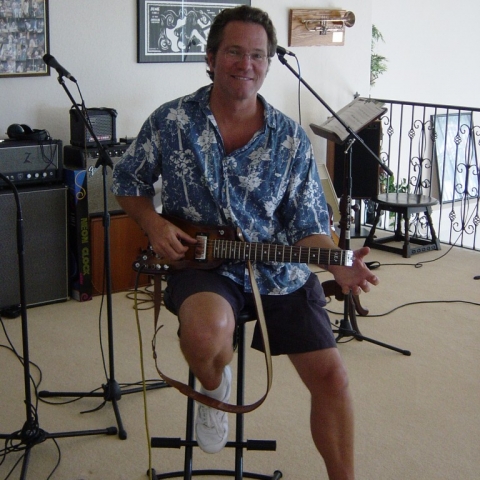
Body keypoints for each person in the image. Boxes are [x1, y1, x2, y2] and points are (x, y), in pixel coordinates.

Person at [112, 5, 378, 479]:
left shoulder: (291, 140)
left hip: (279, 270)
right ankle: (215, 387)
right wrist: (152, 224)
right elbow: (127, 180)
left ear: (268, 63)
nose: (246, 64)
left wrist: (335, 261)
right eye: (234, 52)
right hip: (203, 267)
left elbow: (308, 227)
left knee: (333, 378)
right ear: (211, 57)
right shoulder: (171, 122)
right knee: (206, 332)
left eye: (258, 55)